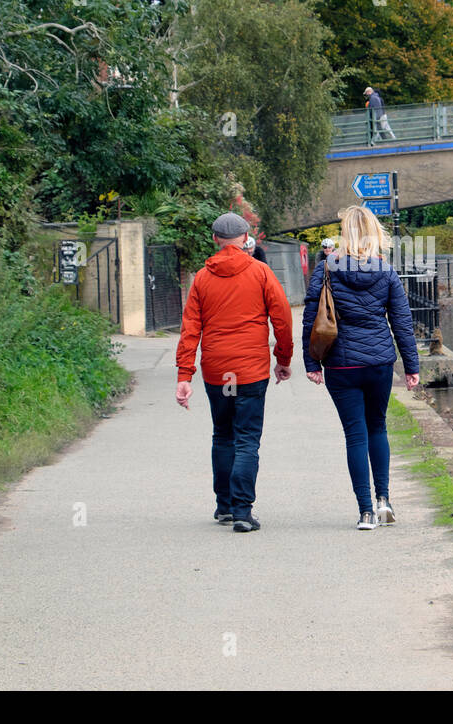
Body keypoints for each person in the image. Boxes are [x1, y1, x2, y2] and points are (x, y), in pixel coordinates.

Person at [302, 205, 420, 530]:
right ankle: (384, 502)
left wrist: (311, 362)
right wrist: (412, 366)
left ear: (345, 234)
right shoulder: (386, 271)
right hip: (379, 361)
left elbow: (312, 317)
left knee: (355, 435)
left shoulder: (326, 269)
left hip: (341, 364)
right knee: (377, 428)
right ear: (374, 233)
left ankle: (365, 512)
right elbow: (402, 323)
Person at [176, 212, 293, 533]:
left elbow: (190, 330)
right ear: (245, 239)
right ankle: (242, 510)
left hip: (218, 372)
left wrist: (184, 376)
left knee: (223, 435)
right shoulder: (261, 273)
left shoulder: (202, 278)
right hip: (251, 371)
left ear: (215, 239)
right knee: (247, 440)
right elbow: (282, 318)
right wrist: (283, 358)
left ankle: (225, 505)